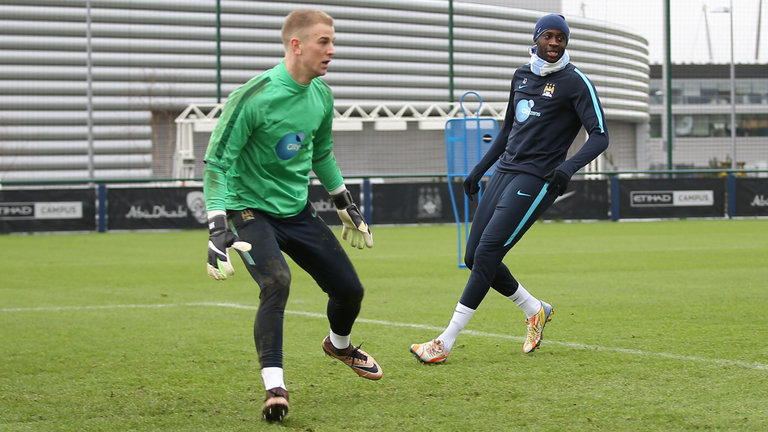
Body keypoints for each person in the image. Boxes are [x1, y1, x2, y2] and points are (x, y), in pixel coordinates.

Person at [202, 9, 381, 422]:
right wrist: (216, 225)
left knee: (350, 290)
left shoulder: (322, 95)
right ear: (296, 45)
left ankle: (339, 345)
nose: (332, 50)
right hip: (248, 211)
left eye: (333, 41)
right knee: (276, 282)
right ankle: (275, 388)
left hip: (297, 211)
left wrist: (343, 202)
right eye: (324, 41)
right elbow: (216, 164)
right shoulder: (253, 96)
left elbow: (320, 153)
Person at [410, 14, 608, 363]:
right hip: (503, 172)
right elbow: (506, 132)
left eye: (560, 38)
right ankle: (535, 310)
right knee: (474, 257)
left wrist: (567, 168)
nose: (554, 44)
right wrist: (479, 169)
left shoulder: (577, 83)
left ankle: (444, 342)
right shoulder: (521, 76)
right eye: (548, 36)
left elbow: (600, 136)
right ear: (535, 39)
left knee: (487, 254)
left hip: (537, 179)